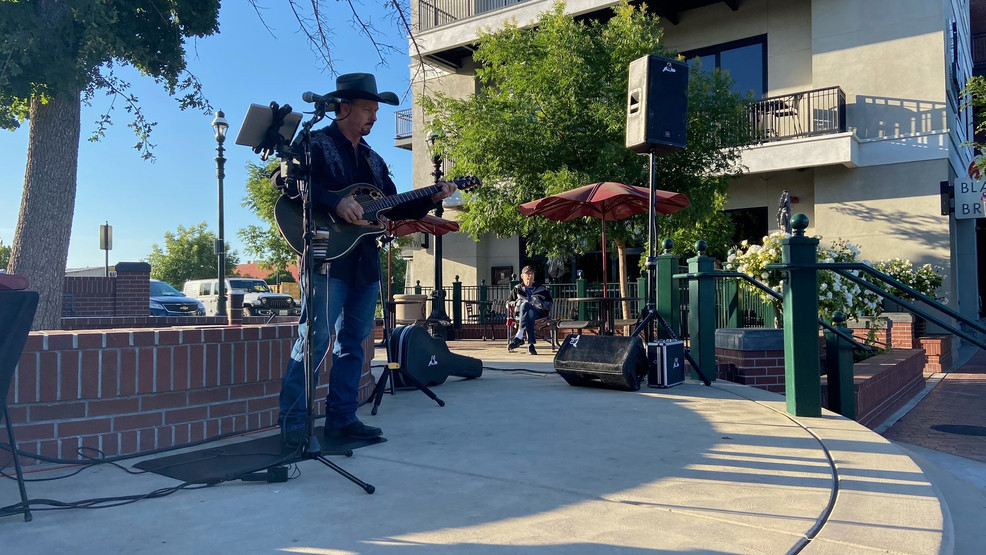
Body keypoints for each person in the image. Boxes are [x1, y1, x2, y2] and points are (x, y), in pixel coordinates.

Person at [275, 73, 455, 450]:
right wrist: (335, 202)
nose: (375, 117)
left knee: (355, 343)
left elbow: (393, 204)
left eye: (376, 110)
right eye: (369, 109)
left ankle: (342, 420)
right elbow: (286, 181)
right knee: (314, 339)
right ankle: (293, 425)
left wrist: (433, 195)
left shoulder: (374, 160)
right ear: (343, 108)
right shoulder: (315, 144)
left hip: (363, 260)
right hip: (326, 258)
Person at [507, 266, 553, 355]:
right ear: (522, 276)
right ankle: (531, 345)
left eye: (532, 274)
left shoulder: (541, 289)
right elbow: (508, 303)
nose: (530, 276)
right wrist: (516, 303)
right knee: (528, 313)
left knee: (526, 307)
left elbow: (550, 303)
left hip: (538, 313)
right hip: (521, 314)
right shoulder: (517, 289)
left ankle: (519, 336)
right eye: (527, 274)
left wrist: (540, 304)